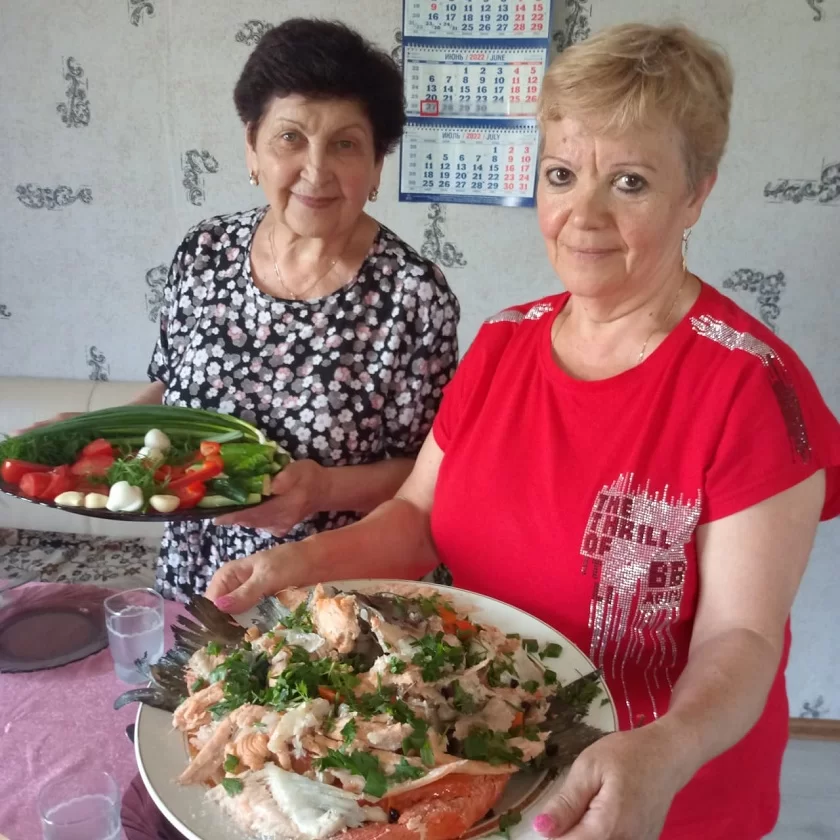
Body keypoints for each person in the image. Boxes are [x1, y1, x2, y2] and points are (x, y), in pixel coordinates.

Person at [206, 23, 840, 840]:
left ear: (696, 194)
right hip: (482, 774)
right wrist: (291, 566)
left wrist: (668, 748)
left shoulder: (751, 388)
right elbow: (418, 520)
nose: (584, 215)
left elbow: (742, 636)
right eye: (562, 174)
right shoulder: (504, 343)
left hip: (655, 795)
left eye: (631, 182)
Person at [23, 18, 459, 601]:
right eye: (290, 138)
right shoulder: (205, 251)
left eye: (345, 144)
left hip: (333, 588)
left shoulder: (414, 296)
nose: (316, 170)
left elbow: (426, 476)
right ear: (252, 146)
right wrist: (84, 437)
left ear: (377, 165)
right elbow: (171, 394)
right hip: (197, 569)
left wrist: (323, 490)